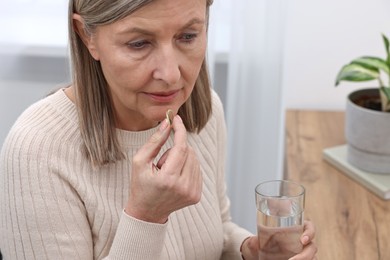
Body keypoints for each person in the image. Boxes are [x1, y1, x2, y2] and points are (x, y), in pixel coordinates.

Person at [0, 0, 317, 259]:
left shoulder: (202, 113)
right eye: (139, 43)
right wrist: (145, 216)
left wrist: (249, 251)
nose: (170, 74)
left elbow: (216, 230)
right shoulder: (36, 152)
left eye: (188, 36)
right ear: (87, 35)